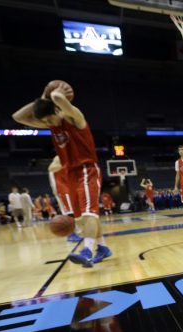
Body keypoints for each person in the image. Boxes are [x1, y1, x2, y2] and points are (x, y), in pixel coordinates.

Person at [12, 81, 112, 267]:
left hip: (86, 170)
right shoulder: (52, 124)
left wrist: (53, 94)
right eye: (46, 122)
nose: (49, 124)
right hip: (70, 174)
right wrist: (42, 98)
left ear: (58, 110)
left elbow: (58, 98)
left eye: (50, 119)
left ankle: (88, 250)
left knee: (91, 213)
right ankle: (103, 247)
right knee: (81, 218)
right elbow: (17, 117)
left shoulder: (75, 118)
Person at [48, 156, 82, 242]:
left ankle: (75, 231)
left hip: (66, 188)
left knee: (72, 211)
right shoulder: (58, 161)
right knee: (69, 212)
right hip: (63, 189)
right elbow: (52, 170)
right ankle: (70, 234)